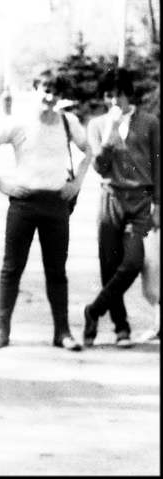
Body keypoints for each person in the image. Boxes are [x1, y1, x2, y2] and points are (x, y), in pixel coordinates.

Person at [0, 70, 92, 351]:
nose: (51, 97)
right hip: (23, 204)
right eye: (46, 90)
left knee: (57, 271)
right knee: (11, 268)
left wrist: (77, 183)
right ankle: (1, 331)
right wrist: (1, 184)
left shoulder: (68, 121)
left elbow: (89, 150)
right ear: (36, 89)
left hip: (56, 204)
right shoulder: (18, 122)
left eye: (56, 92)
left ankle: (62, 332)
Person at [83, 67, 160, 348]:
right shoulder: (97, 124)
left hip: (141, 201)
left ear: (129, 94)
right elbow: (99, 167)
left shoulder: (149, 122)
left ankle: (94, 310)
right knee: (109, 264)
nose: (114, 101)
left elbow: (158, 164)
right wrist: (109, 136)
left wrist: (158, 204)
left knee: (133, 262)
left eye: (119, 95)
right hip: (111, 198)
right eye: (109, 96)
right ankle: (121, 326)